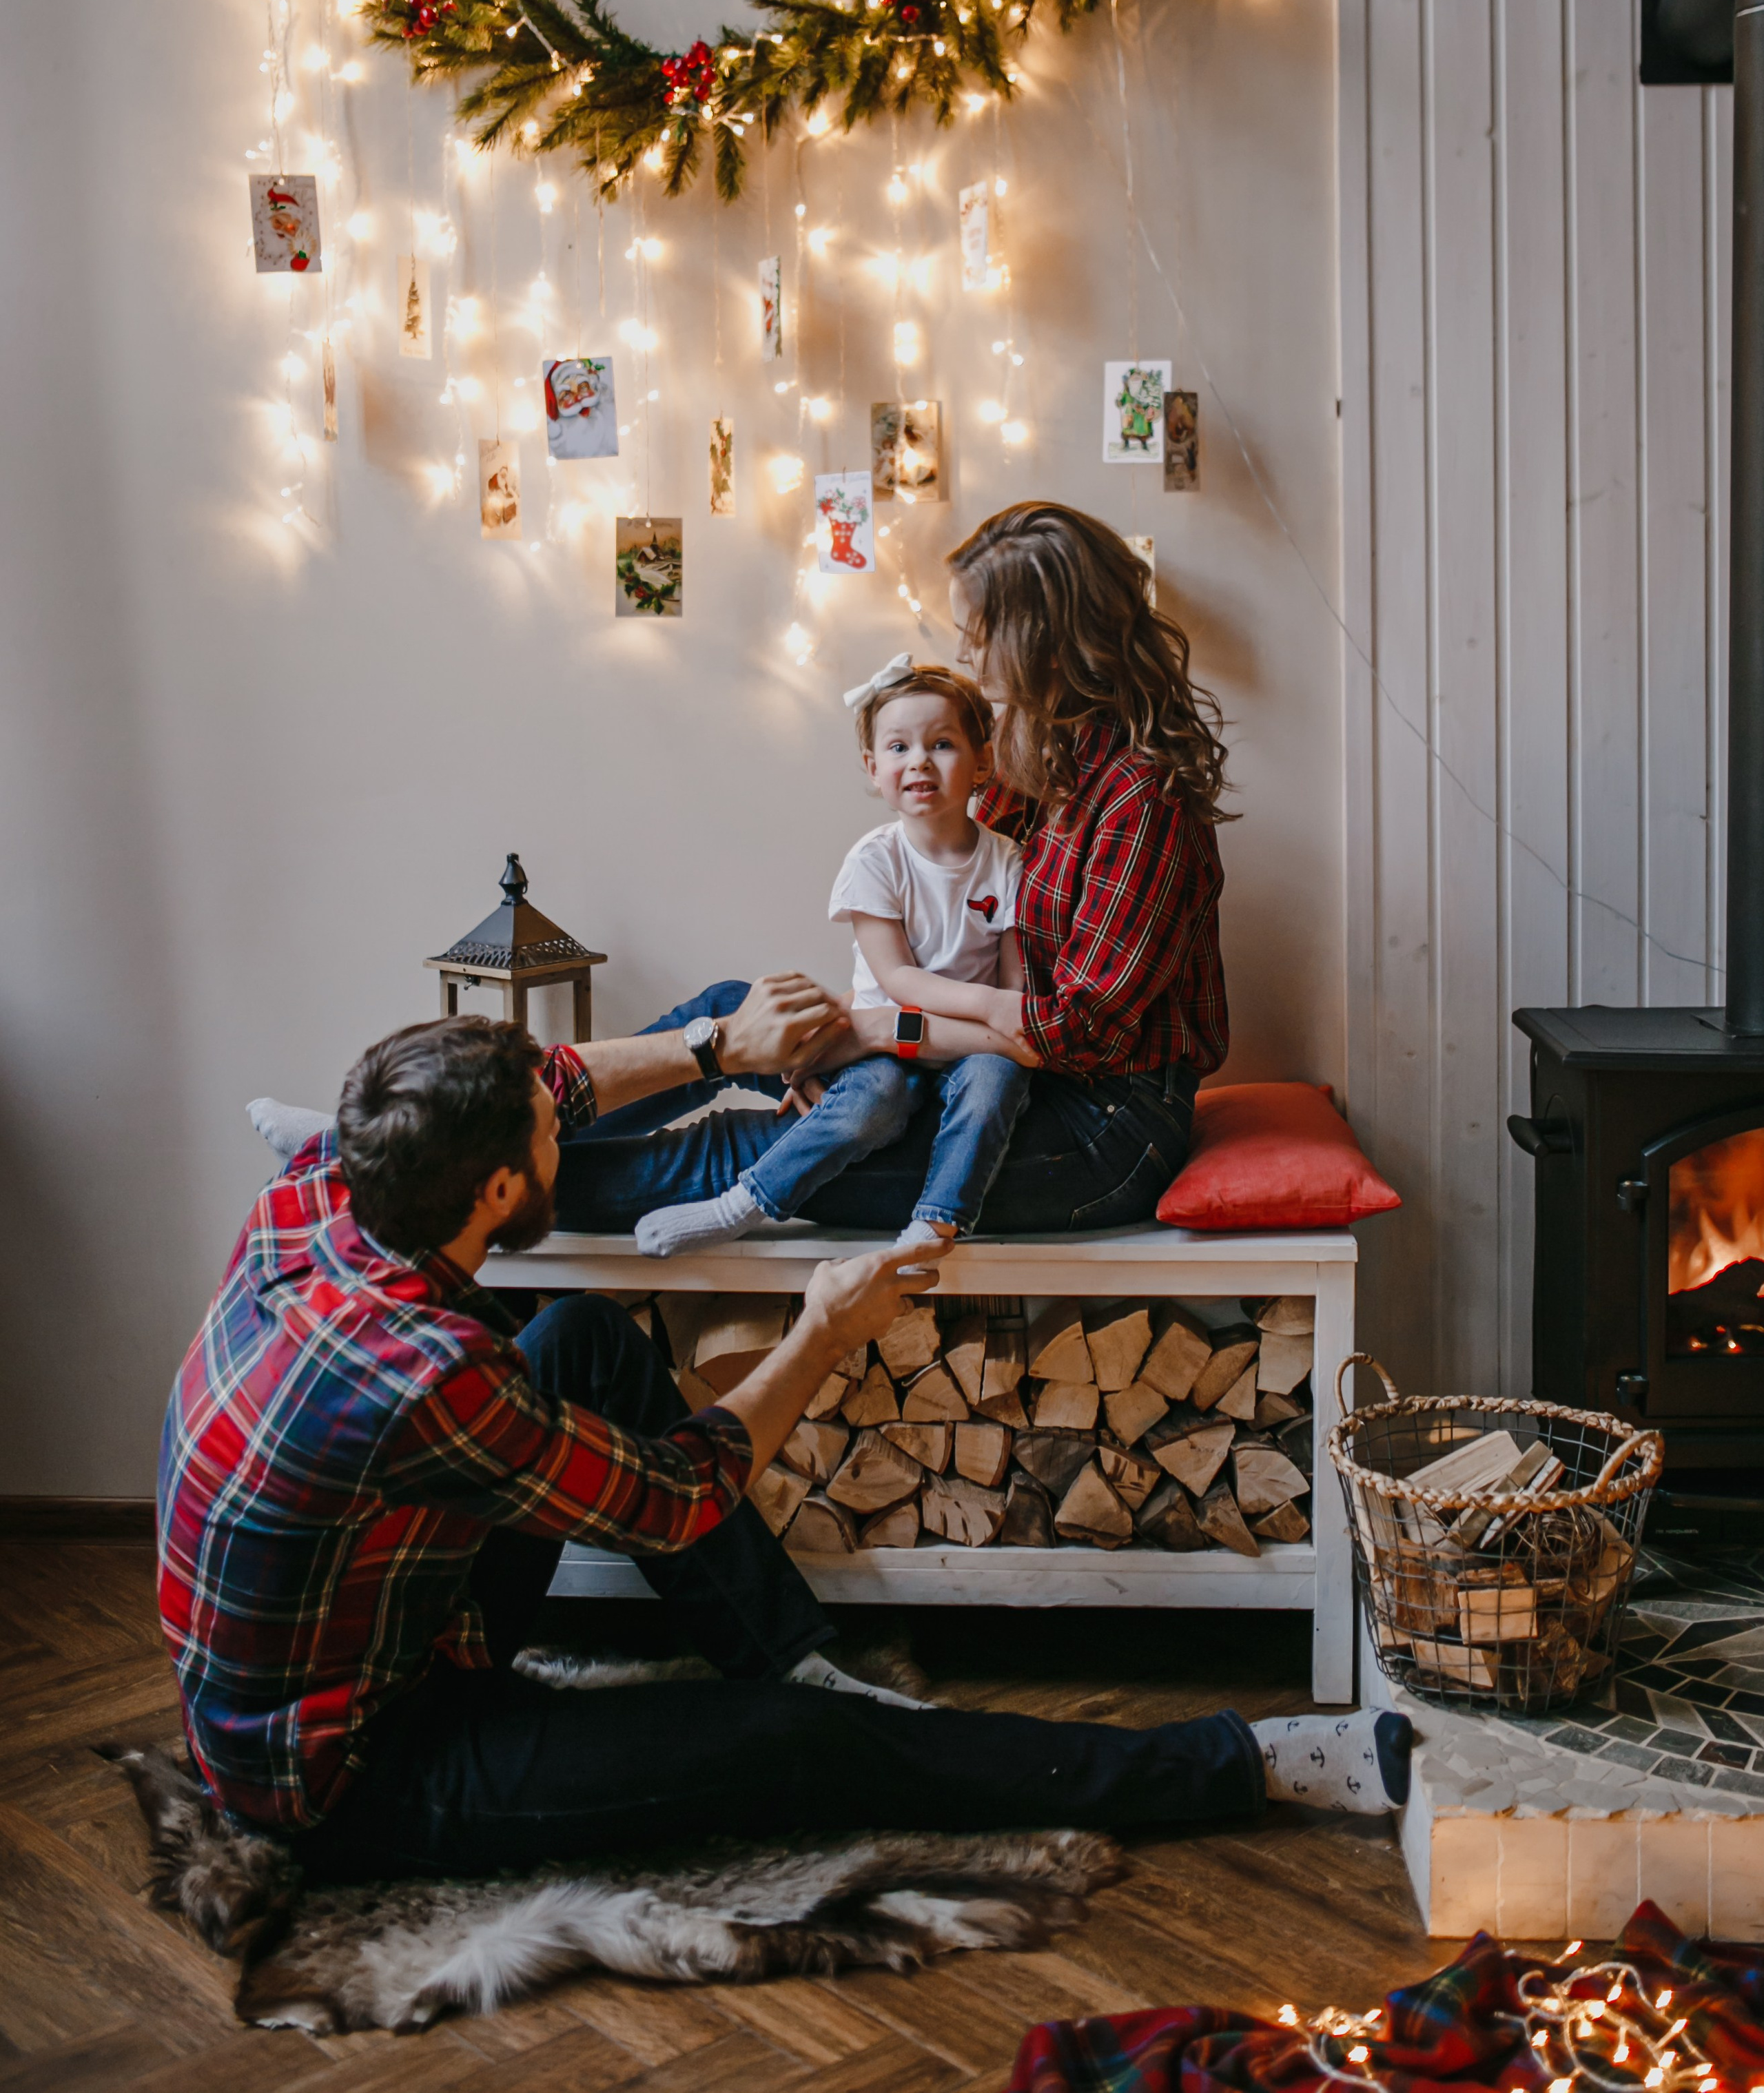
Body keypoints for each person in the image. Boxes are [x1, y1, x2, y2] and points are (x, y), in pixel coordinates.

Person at [161, 1009, 1411, 1881]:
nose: (569, 1140)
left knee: (586, 1335)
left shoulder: (319, 1189)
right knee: (798, 1755)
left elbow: (556, 1088)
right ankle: (1235, 1764)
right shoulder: (427, 1377)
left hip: (364, 1640)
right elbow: (680, 1498)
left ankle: (797, 1665)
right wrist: (819, 1330)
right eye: (546, 1144)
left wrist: (712, 1046)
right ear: (495, 1192)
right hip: (358, 1769)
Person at [551, 501, 1229, 1239]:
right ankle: (517, 1128)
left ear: (1048, 644)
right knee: (740, 1011)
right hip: (973, 1050)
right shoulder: (1028, 756)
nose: (966, 651)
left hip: (1094, 1124)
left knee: (741, 1148)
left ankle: (491, 1191)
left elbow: (1070, 1035)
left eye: (980, 628)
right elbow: (930, 944)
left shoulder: (1141, 800)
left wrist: (876, 1030)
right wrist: (842, 1034)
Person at [632, 658, 1033, 1260]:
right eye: (899, 747)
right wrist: (996, 1010)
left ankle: (937, 1226)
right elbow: (897, 978)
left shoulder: (1009, 861)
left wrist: (1006, 1022)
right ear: (875, 770)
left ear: (982, 762)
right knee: (872, 1104)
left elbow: (1015, 982)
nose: (919, 760)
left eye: (942, 744)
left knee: (997, 1081)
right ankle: (744, 1203)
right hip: (884, 1040)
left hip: (963, 1042)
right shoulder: (876, 861)